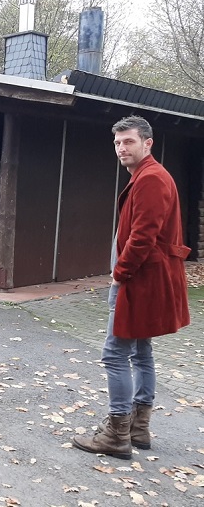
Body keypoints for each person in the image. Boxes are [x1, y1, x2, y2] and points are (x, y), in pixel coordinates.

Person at [72, 115, 190, 460]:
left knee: (115, 353)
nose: (122, 148)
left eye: (129, 142)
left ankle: (116, 433)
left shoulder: (151, 178)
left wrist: (120, 273)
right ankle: (138, 427)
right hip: (145, 279)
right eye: (118, 143)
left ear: (147, 143)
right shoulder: (149, 175)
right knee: (140, 352)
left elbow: (143, 235)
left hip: (138, 281)